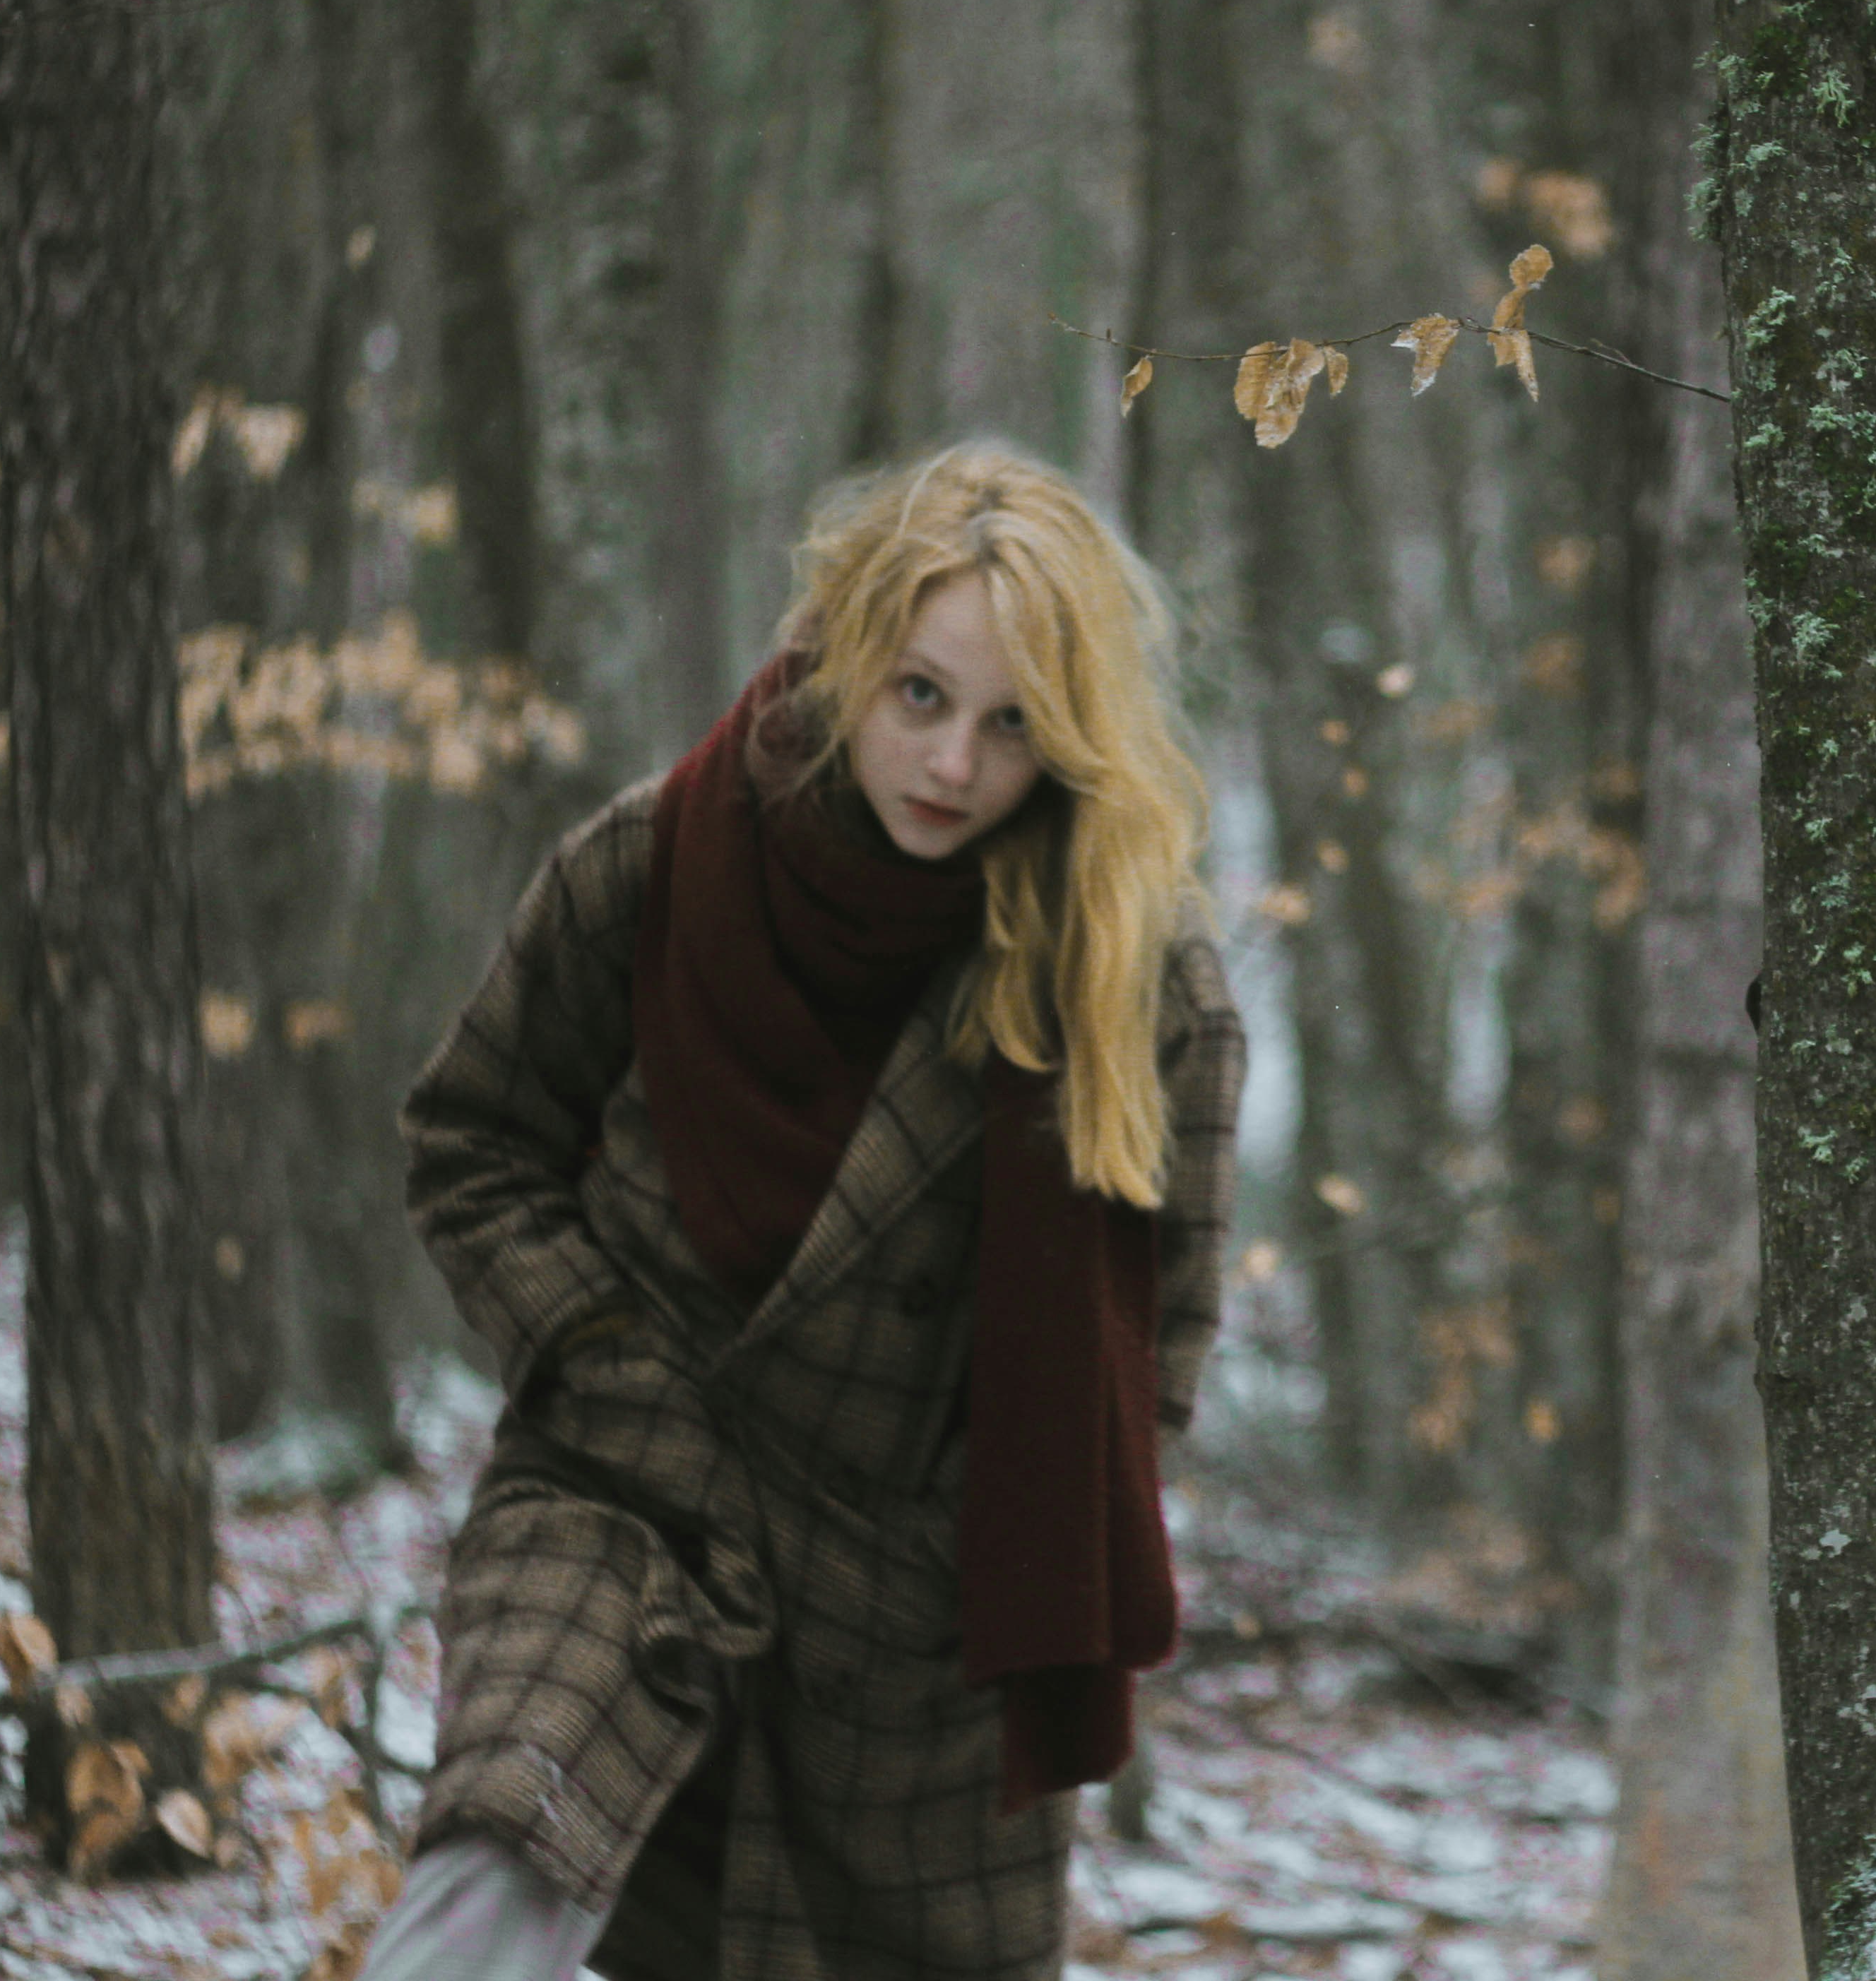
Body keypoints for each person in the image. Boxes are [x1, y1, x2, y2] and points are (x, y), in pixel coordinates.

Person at [362, 446, 1242, 1981]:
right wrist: (603, 1351)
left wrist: (990, 1535)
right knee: (494, 1874)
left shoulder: (1129, 983)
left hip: (915, 1642)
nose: (954, 764)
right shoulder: (660, 858)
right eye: (920, 695)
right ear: (844, 649)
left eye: (1013, 724)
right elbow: (472, 1137)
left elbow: (1151, 1351)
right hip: (624, 1504)